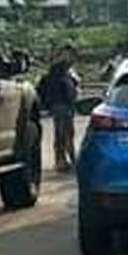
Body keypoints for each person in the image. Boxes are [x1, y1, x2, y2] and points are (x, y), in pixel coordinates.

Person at [38, 43, 81, 172]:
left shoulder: (66, 71)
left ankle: (67, 159)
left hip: (63, 104)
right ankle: (62, 160)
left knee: (66, 132)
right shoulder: (59, 71)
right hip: (61, 104)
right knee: (62, 132)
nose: (71, 58)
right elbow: (66, 88)